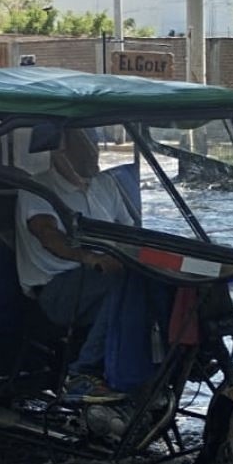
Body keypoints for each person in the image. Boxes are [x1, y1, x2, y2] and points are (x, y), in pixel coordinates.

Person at [15, 127, 136, 402]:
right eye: (86, 144)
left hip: (99, 275)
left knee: (160, 283)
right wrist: (91, 258)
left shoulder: (106, 184)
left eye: (95, 143)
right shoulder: (38, 187)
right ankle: (82, 372)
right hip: (55, 287)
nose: (94, 151)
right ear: (61, 150)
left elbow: (130, 230)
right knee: (125, 287)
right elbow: (48, 235)